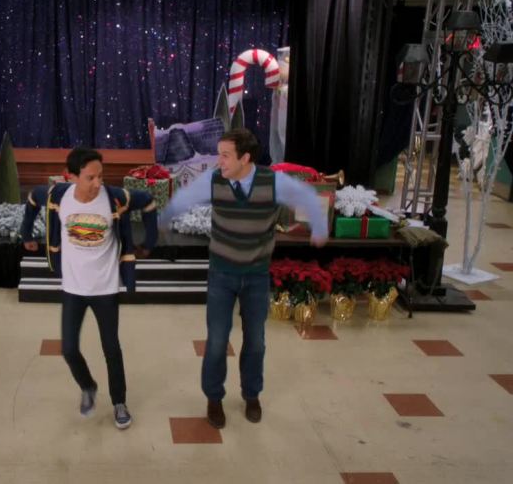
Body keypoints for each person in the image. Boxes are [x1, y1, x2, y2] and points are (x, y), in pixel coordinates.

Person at [161, 128, 328, 428]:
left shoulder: (272, 182)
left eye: (225, 155)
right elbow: (184, 198)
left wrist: (318, 226)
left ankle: (251, 395)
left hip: (256, 276)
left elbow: (307, 195)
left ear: (245, 158)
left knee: (256, 341)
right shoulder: (214, 180)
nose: (219, 161)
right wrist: (161, 220)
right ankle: (214, 399)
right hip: (221, 274)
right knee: (216, 341)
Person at [20, 147, 158, 429]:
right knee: (69, 349)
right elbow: (33, 198)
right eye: (90, 178)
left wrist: (149, 242)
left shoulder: (114, 197)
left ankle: (119, 402)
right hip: (73, 288)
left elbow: (148, 202)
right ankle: (88, 386)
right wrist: (26, 233)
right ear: (70, 176)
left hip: (105, 288)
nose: (98, 183)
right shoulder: (58, 196)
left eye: (101, 176)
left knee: (111, 348)